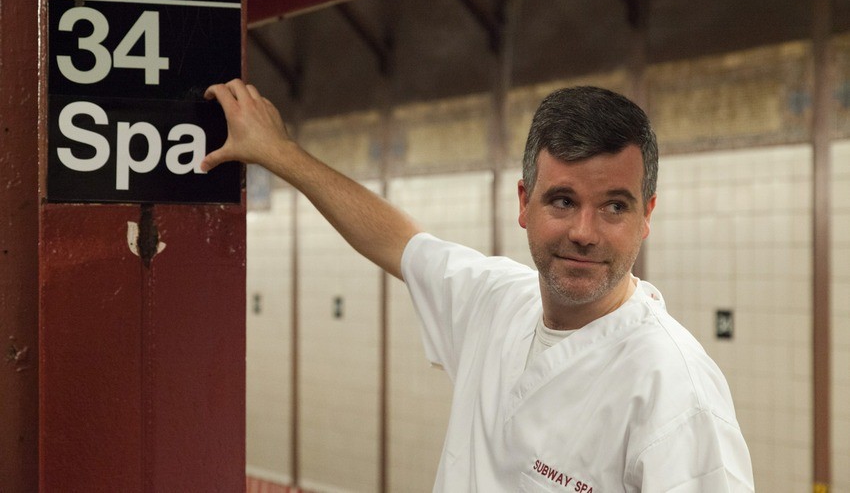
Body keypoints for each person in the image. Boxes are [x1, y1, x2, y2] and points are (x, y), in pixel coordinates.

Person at [202, 79, 754, 492]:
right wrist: (279, 152)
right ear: (524, 203)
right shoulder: (495, 303)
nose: (584, 233)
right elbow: (397, 241)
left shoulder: (674, 391)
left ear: (646, 215)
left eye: (614, 206)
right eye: (563, 201)